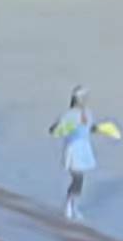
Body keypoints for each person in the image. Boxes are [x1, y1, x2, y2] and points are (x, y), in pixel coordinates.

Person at [50, 88, 117, 221]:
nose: (84, 100)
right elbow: (55, 129)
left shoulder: (88, 113)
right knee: (78, 178)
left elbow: (89, 129)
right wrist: (59, 129)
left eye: (85, 98)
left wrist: (103, 129)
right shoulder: (69, 115)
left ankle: (74, 206)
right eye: (82, 98)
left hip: (84, 149)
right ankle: (69, 204)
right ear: (76, 99)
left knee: (80, 180)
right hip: (73, 148)